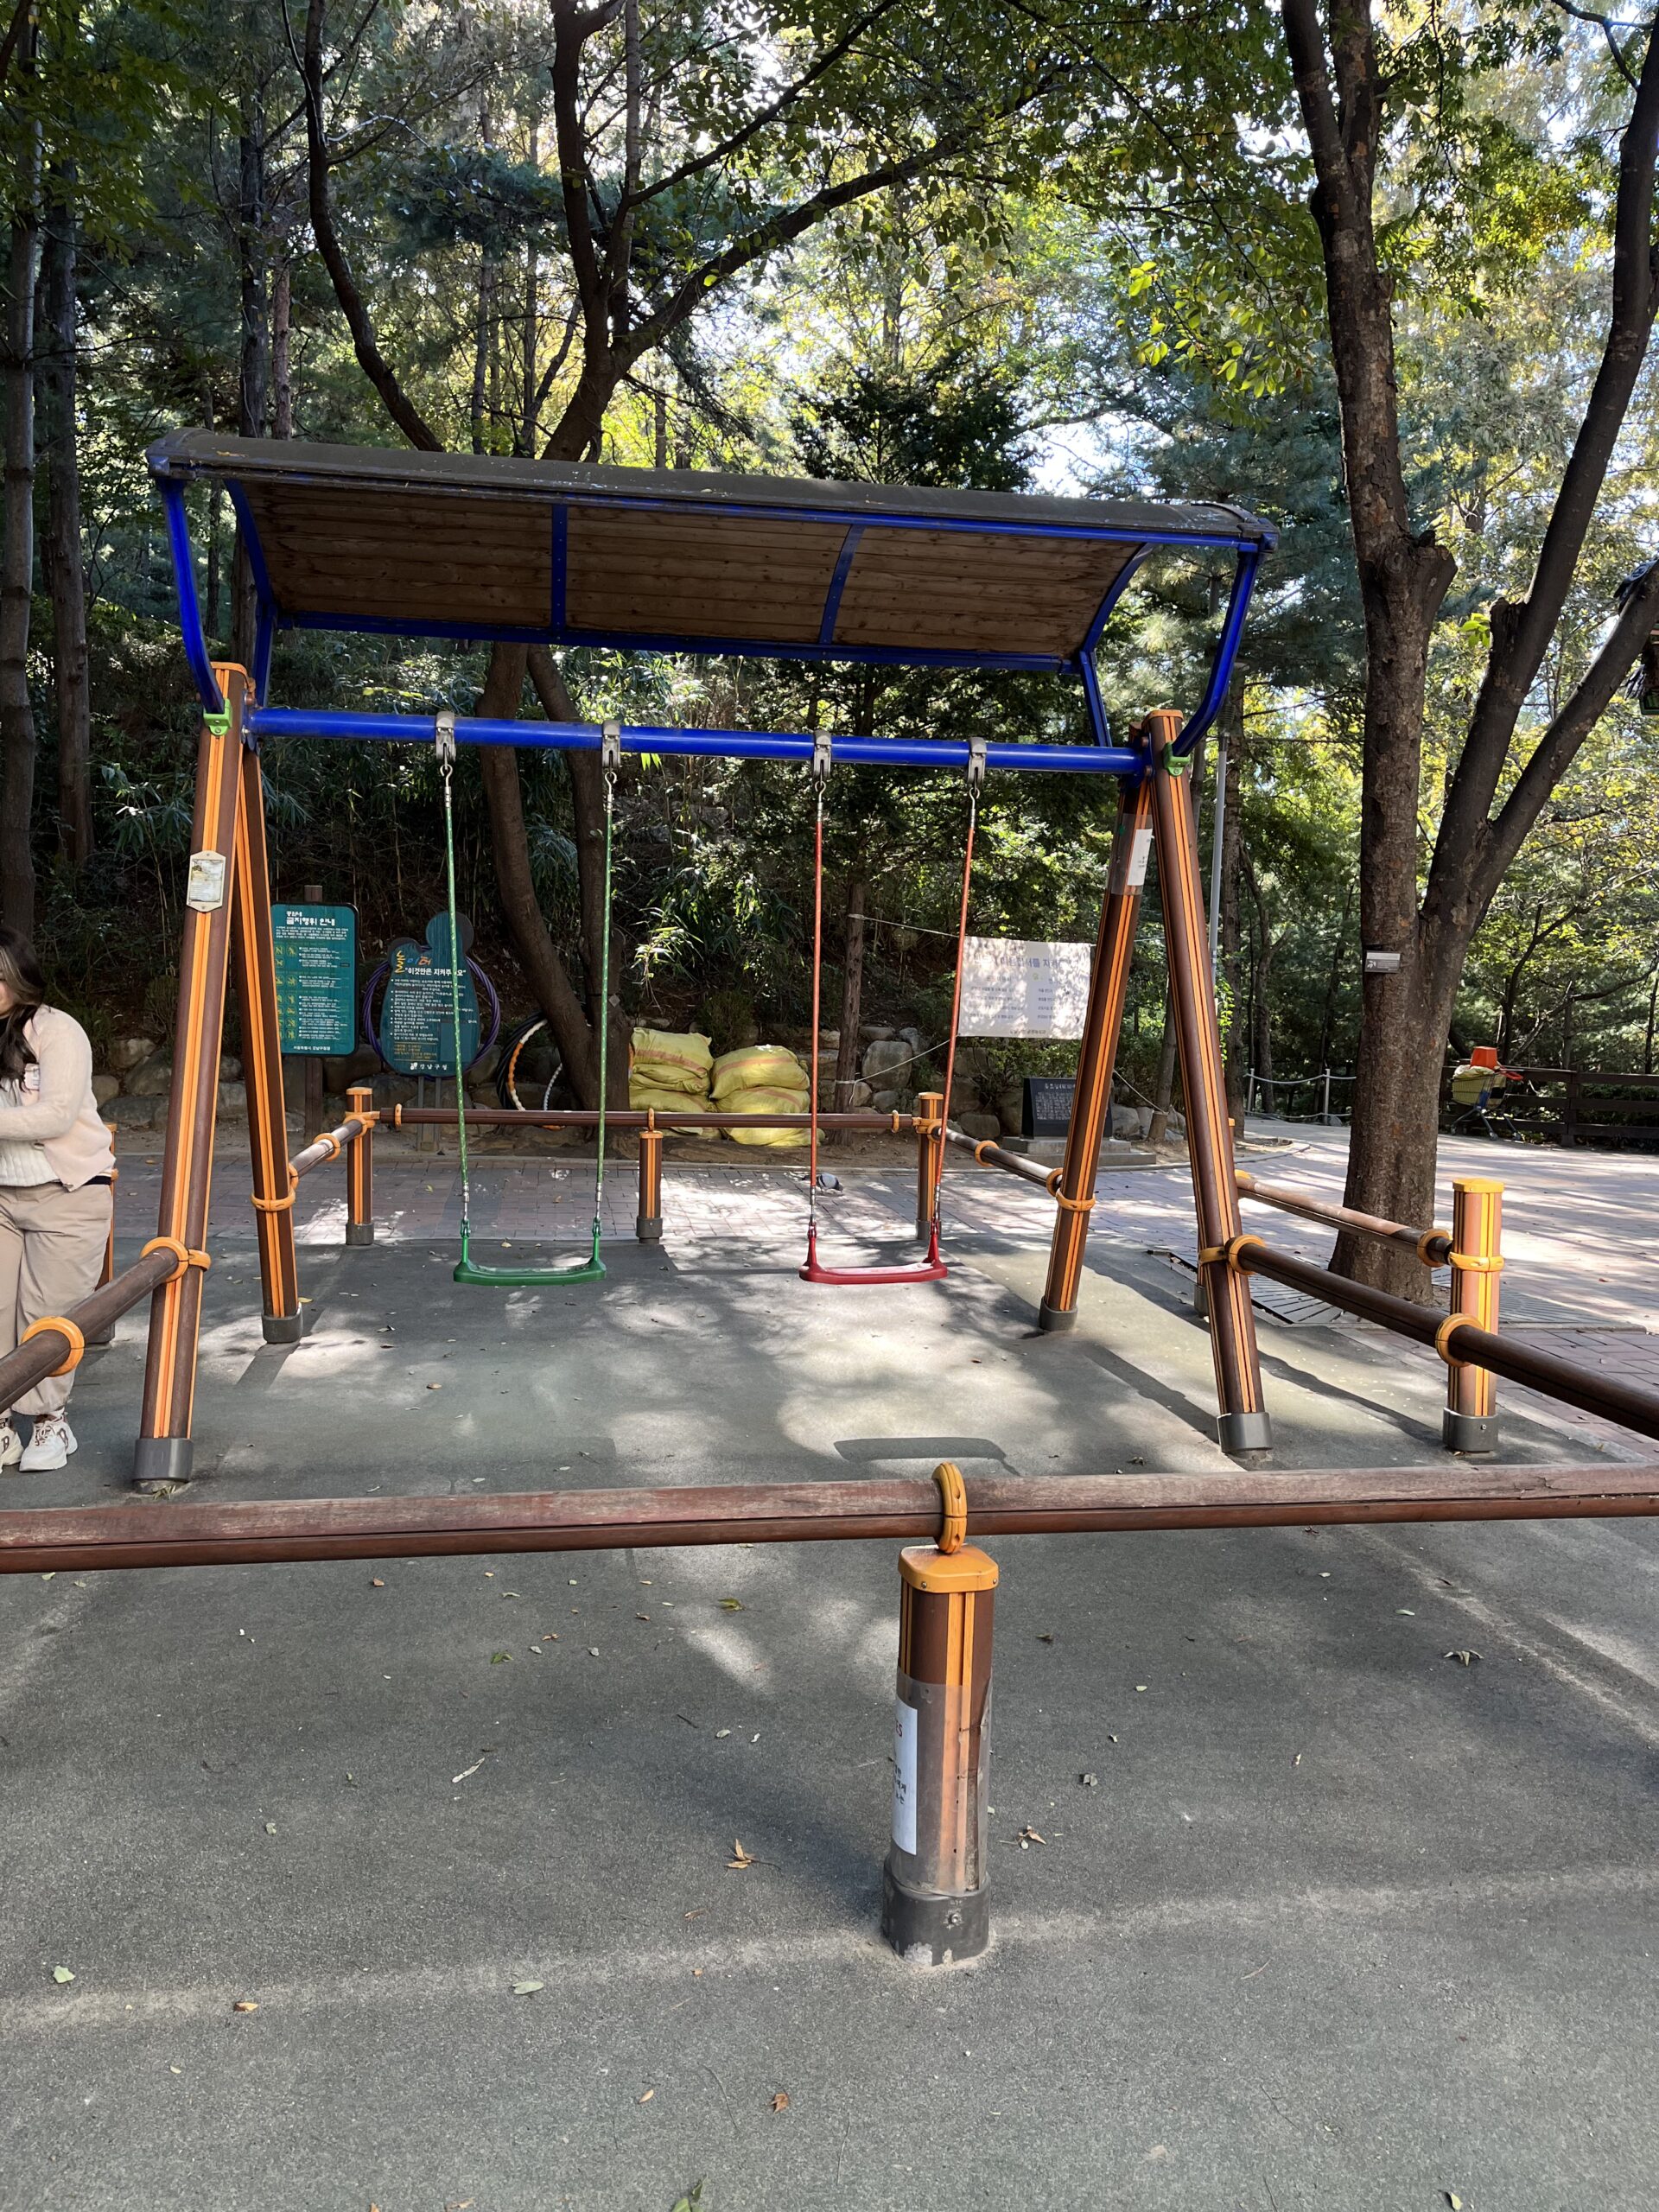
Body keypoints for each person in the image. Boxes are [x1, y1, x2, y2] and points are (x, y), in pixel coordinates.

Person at [0, 928, 116, 1471]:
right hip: (1, 1195)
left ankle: (50, 1419)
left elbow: (55, 1115)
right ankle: (1, 1423)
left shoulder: (56, 1030)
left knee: (45, 1316)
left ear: (21, 977)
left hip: (67, 1192)